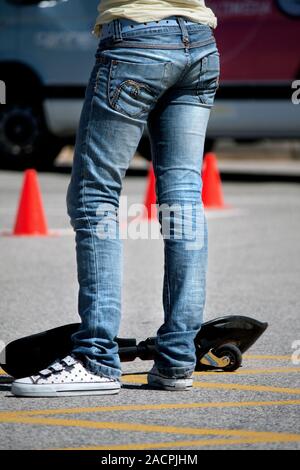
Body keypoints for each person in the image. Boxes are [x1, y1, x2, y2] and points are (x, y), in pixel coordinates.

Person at [12, 1, 219, 397]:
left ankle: (95, 360)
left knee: (95, 195)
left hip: (137, 39)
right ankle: (177, 359)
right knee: (183, 200)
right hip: (200, 42)